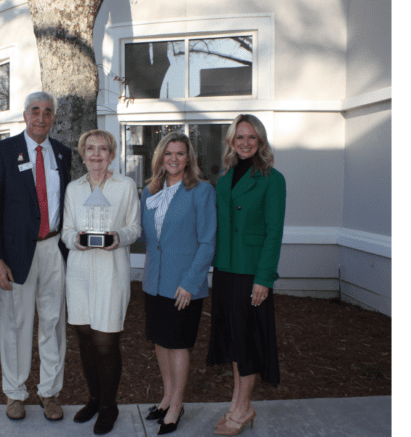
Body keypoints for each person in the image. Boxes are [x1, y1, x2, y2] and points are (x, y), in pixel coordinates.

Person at [0, 91, 72, 421]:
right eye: (35, 111)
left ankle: (49, 393)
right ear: (25, 116)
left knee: (53, 324)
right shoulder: (5, 152)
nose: (41, 117)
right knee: (15, 326)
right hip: (15, 254)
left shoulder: (63, 154)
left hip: (53, 249)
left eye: (48, 112)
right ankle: (15, 393)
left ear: (53, 118)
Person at [206, 114, 286, 436]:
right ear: (231, 141)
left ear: (261, 141)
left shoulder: (272, 178)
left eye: (252, 138)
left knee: (248, 343)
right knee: (234, 343)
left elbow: (273, 232)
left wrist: (264, 278)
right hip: (225, 270)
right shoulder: (224, 178)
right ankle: (239, 403)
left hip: (251, 273)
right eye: (240, 137)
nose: (245, 143)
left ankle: (242, 408)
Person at [61, 130, 141, 434]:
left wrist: (118, 237)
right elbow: (66, 230)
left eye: (103, 149)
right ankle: (94, 399)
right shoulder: (74, 189)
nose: (96, 154)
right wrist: (77, 240)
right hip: (79, 270)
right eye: (90, 149)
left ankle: (109, 407)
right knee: (83, 335)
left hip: (111, 271)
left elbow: (135, 228)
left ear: (112, 154)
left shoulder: (125, 186)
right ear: (83, 154)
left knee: (105, 342)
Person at [140, 132, 216, 435]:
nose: (173, 159)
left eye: (180, 153)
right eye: (168, 153)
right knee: (160, 342)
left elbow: (208, 242)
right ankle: (167, 396)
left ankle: (177, 405)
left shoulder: (201, 191)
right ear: (160, 157)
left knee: (178, 343)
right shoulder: (150, 191)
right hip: (155, 281)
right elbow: (149, 239)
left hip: (184, 284)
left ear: (189, 158)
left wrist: (190, 282)